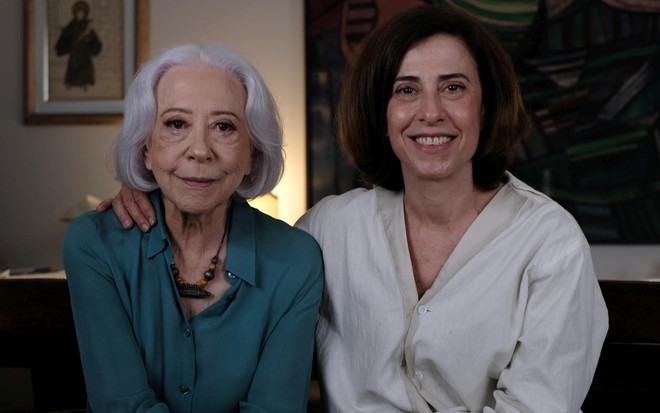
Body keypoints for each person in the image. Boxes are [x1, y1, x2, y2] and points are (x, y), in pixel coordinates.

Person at [100, 4, 609, 412]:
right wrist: (151, 195)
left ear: (487, 104)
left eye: (453, 88)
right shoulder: (328, 229)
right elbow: (224, 255)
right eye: (406, 90)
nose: (431, 112)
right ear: (380, 112)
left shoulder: (550, 244)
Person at [62, 43, 324, 413]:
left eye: (224, 126)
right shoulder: (95, 244)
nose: (199, 149)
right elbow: (123, 406)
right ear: (146, 147)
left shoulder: (296, 261)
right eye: (176, 124)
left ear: (252, 153)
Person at [54, 0, 102, 90]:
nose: (80, 14)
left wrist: (89, 40)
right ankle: (70, 84)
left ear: (85, 13)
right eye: (78, 12)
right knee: (73, 71)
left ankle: (84, 85)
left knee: (84, 74)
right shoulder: (71, 26)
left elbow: (96, 43)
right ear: (75, 13)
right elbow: (65, 38)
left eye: (82, 12)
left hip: (84, 55)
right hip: (74, 55)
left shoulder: (88, 27)